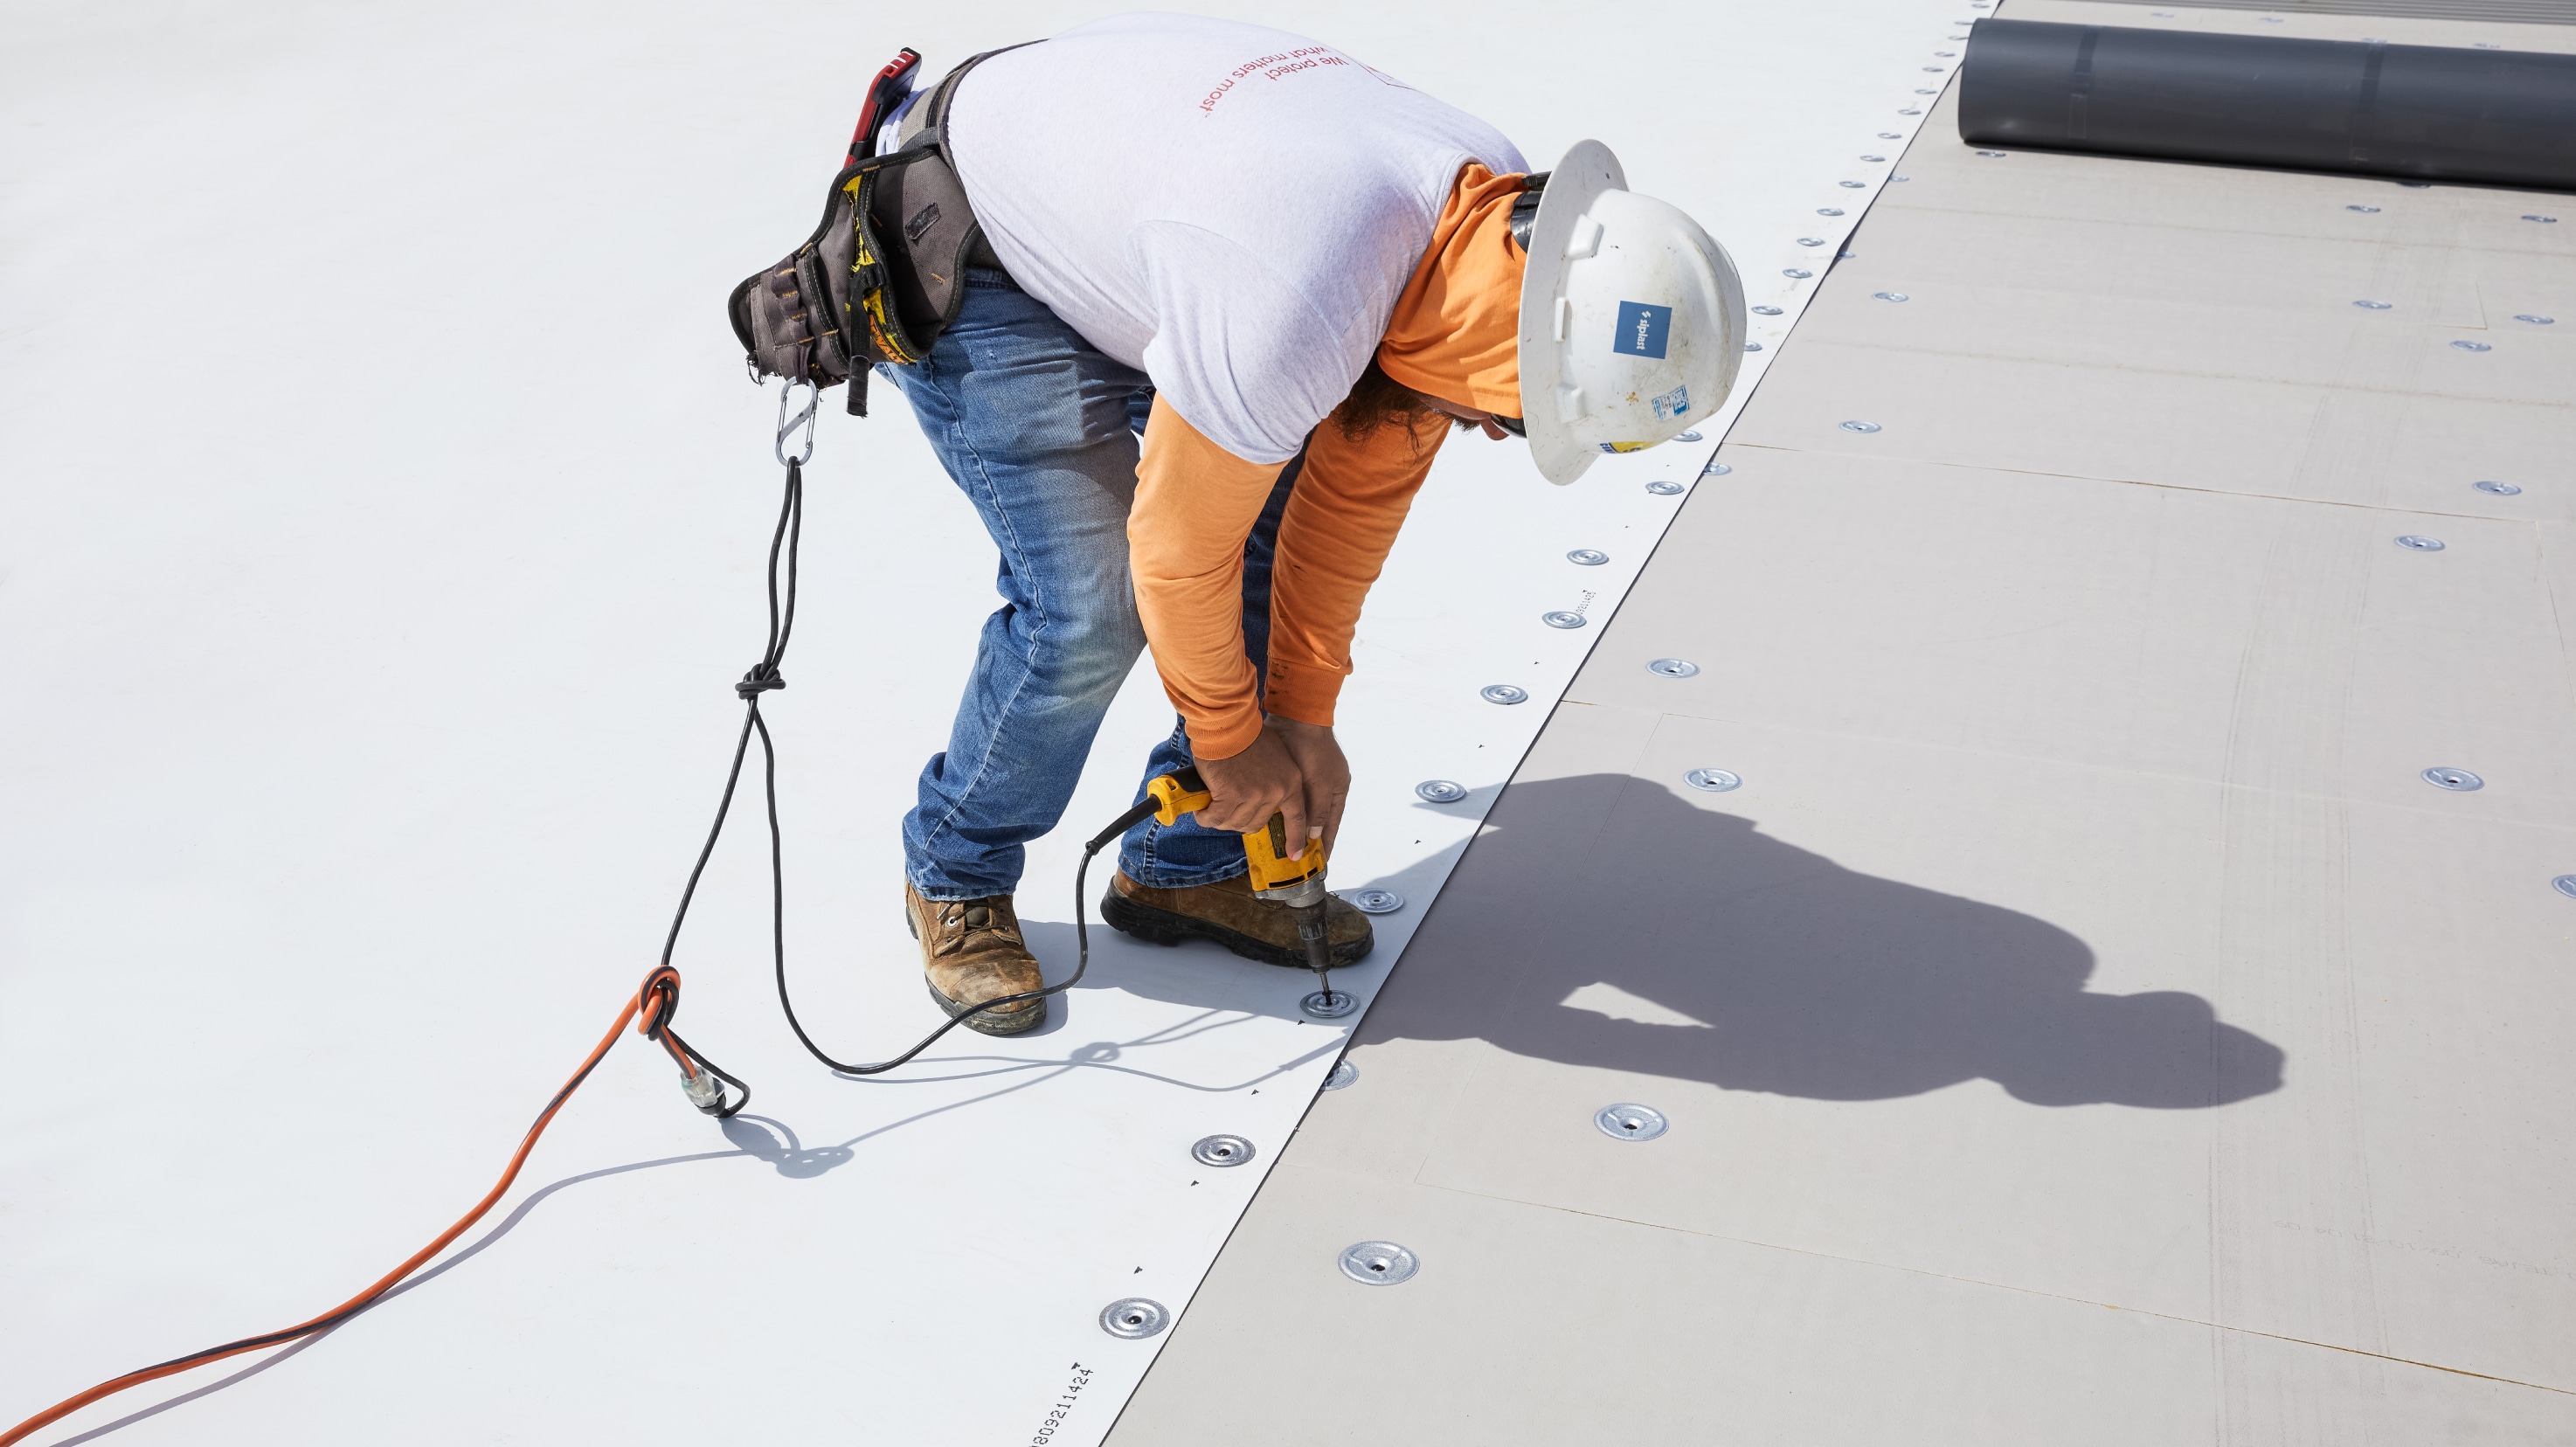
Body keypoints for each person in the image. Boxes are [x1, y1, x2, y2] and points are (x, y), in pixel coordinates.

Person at [873, 13, 1742, 1033]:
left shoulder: (1486, 259)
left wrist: (1298, 719)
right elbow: (1174, 550)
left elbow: (1337, 520)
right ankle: (955, 870)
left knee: (1261, 534)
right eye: (1522, 414)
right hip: (979, 230)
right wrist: (1231, 738)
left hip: (1158, 214)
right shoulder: (1301, 297)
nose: (1505, 436)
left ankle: (1183, 868)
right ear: (1521, 352)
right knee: (1094, 603)